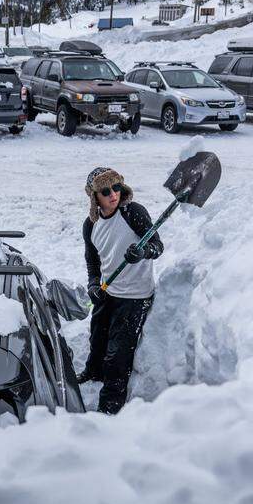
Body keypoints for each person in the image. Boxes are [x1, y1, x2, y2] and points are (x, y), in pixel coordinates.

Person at [79, 167, 163, 414]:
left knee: (118, 354)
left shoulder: (133, 213)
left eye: (116, 188)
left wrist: (143, 252)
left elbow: (158, 245)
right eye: (105, 191)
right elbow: (92, 260)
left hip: (135, 296)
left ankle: (110, 406)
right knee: (97, 337)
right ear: (94, 197)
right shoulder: (90, 224)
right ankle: (93, 372)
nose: (113, 194)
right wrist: (94, 284)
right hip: (108, 289)